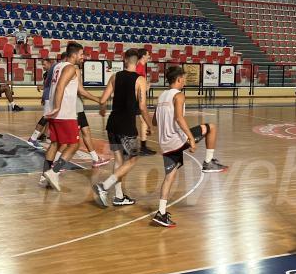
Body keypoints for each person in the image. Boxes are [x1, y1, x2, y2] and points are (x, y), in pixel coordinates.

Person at [151, 65, 228, 227]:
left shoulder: (162, 96)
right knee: (211, 127)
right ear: (178, 79)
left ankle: (161, 213)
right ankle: (208, 162)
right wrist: (191, 138)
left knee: (169, 177)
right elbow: (179, 118)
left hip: (165, 143)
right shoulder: (179, 96)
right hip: (177, 140)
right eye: (184, 78)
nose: (185, 81)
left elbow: (154, 121)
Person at [93, 48, 153, 207]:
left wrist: (103, 108)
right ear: (137, 60)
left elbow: (102, 100)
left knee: (119, 161)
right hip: (127, 126)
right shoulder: (140, 79)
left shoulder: (115, 76)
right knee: (133, 158)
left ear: (125, 59)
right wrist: (149, 124)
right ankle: (104, 186)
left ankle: (119, 196)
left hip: (112, 125)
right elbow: (142, 107)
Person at [41, 43, 84, 192]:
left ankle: (44, 175)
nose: (82, 57)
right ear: (74, 55)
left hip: (54, 111)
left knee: (54, 143)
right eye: (81, 54)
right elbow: (60, 87)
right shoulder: (71, 68)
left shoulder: (57, 66)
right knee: (74, 145)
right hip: (65, 113)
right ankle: (54, 172)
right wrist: (58, 106)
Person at [28, 55, 55, 150]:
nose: (43, 66)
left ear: (50, 63)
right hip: (49, 97)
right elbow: (47, 87)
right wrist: (43, 97)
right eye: (42, 65)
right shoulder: (49, 73)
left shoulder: (53, 72)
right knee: (46, 117)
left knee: (50, 117)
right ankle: (33, 138)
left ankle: (49, 136)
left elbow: (48, 86)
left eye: (44, 64)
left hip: (51, 97)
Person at [135, 48, 156, 156]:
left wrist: (146, 85)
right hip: (136, 98)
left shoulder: (141, 66)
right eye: (148, 55)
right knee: (142, 120)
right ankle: (142, 147)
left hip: (138, 97)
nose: (149, 57)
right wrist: (145, 88)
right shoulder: (139, 67)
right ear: (143, 56)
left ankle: (142, 146)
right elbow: (135, 83)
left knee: (142, 121)